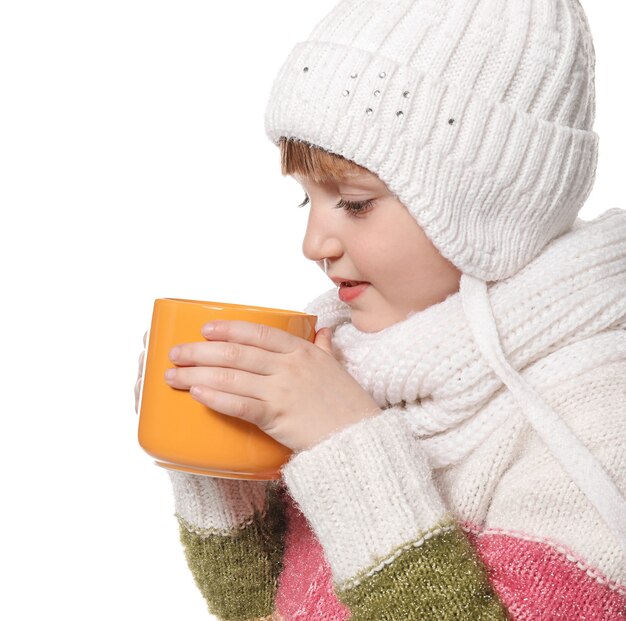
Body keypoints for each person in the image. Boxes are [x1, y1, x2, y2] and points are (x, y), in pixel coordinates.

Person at [134, 0, 626, 618]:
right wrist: (218, 463)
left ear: (488, 207)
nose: (314, 245)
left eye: (357, 202)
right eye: (305, 201)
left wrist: (348, 445)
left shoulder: (597, 413)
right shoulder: (362, 360)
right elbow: (270, 611)